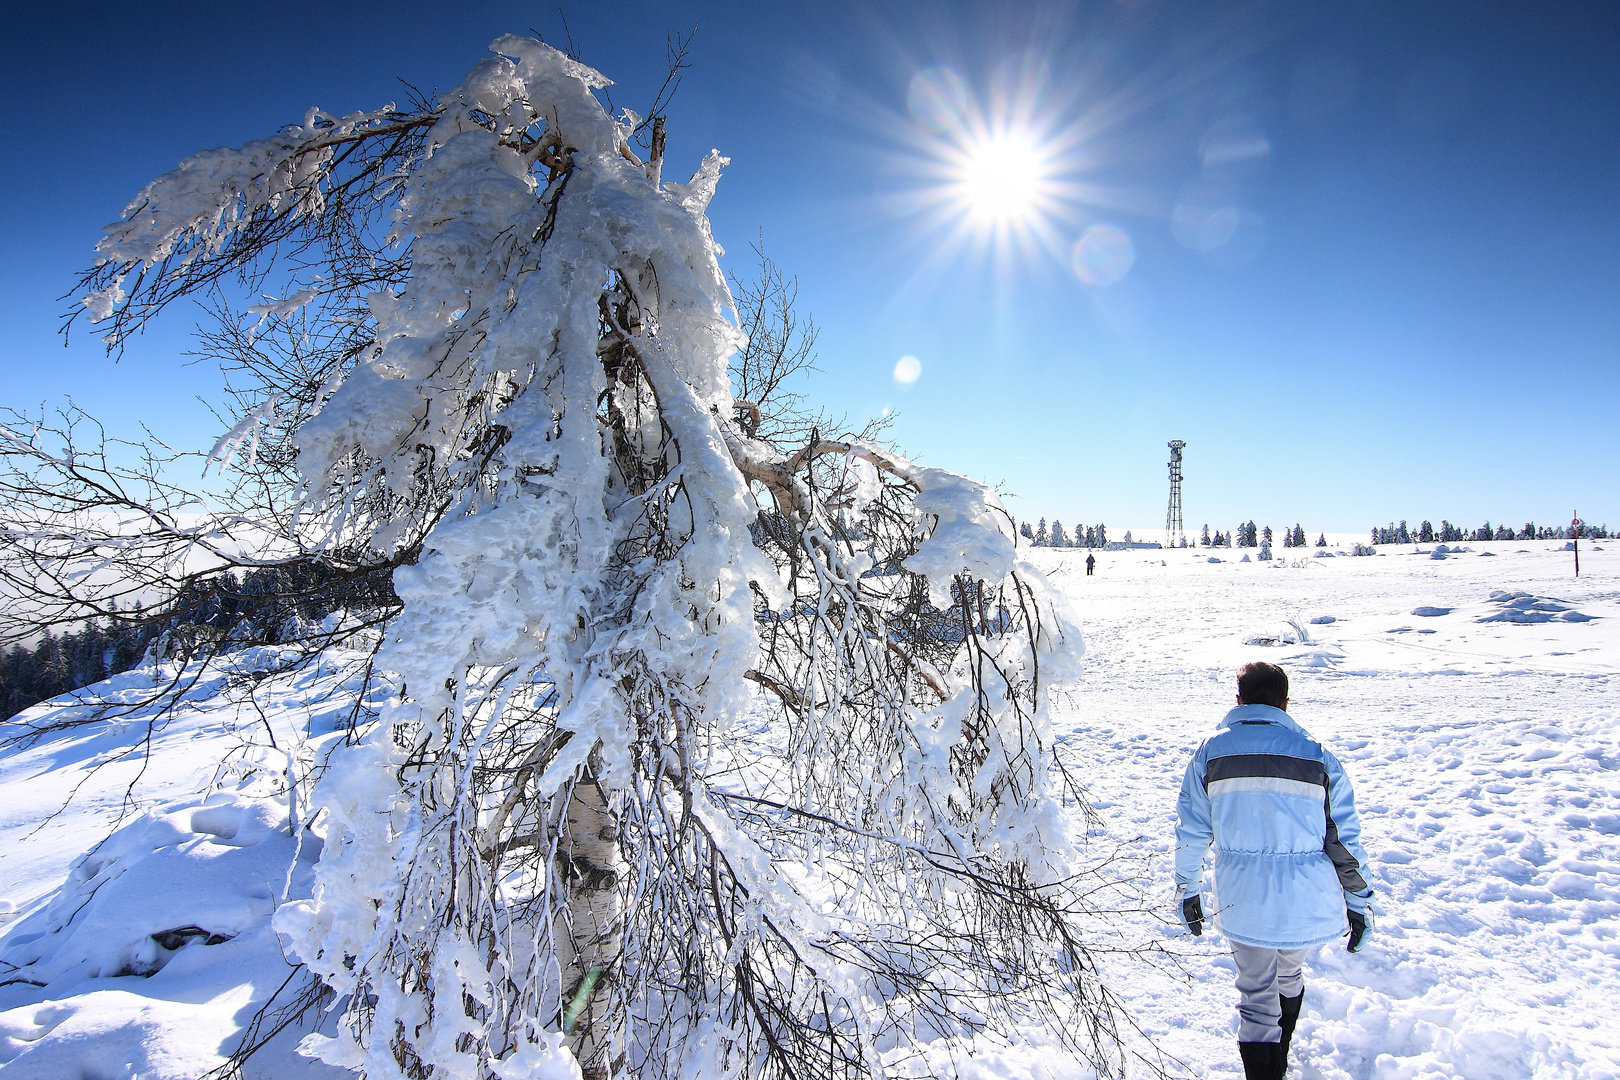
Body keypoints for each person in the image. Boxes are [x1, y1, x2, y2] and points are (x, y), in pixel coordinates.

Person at [1174, 662, 1374, 1079]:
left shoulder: (1211, 752)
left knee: (1255, 995)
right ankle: (1278, 1063)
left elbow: (1192, 830)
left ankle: (1268, 1070)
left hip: (1241, 898)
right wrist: (1359, 902)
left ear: (1239, 700)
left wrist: (1187, 890)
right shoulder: (1317, 755)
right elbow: (1344, 840)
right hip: (1306, 897)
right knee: (1289, 972)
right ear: (1285, 702)